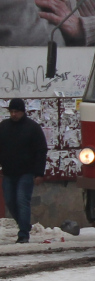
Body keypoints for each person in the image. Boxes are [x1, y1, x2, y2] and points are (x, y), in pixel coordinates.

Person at [0, 99, 47, 244]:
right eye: (12, 112)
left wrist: (39, 173)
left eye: (17, 112)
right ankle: (24, 225)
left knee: (22, 200)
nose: (14, 115)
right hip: (8, 172)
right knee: (9, 201)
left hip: (26, 172)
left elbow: (41, 150)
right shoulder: (4, 127)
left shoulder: (32, 128)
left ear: (23, 112)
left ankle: (23, 234)